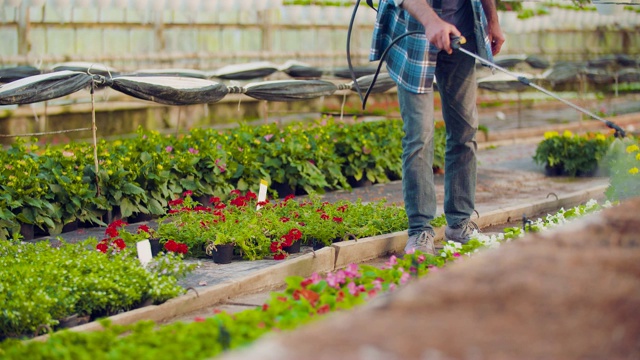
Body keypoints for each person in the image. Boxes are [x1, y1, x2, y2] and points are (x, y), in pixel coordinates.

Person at [369, 0, 505, 255]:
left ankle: (459, 223)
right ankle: (420, 230)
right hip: (414, 30)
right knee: (420, 134)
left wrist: (493, 22)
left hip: (461, 29)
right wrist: (431, 21)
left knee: (465, 130)